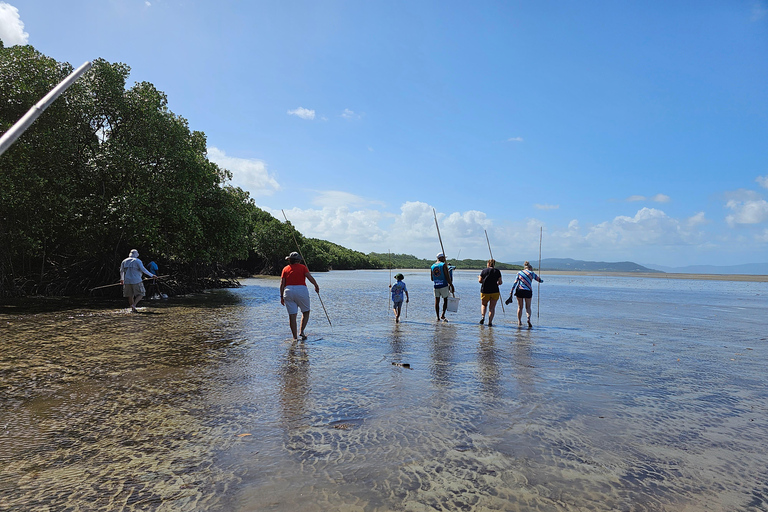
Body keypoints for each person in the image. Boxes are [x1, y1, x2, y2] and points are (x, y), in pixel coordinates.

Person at [280, 251, 320, 341]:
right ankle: (301, 331)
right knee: (306, 312)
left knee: (292, 315)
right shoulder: (303, 267)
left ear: (290, 260)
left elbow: (282, 284)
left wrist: (281, 296)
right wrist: (316, 286)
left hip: (288, 291)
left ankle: (294, 338)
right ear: (298, 260)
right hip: (301, 290)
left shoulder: (285, 269)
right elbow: (309, 277)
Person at [507, 261, 543, 327]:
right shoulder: (532, 273)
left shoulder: (519, 273)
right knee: (528, 307)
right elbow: (540, 280)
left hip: (520, 291)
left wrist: (511, 291)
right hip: (528, 291)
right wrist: (541, 280)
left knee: (520, 307)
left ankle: (519, 321)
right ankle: (528, 319)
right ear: (530, 268)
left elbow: (515, 283)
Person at [431, 253, 455, 321]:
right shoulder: (443, 265)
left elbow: (432, 279)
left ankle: (437, 317)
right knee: (445, 300)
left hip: (436, 286)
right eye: (444, 258)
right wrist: (451, 285)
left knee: (437, 301)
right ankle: (443, 315)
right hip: (444, 285)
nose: (445, 259)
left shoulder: (432, 266)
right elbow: (447, 277)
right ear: (441, 258)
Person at [478, 259, 502, 326]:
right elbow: (500, 282)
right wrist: (497, 283)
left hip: (485, 291)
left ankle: (483, 317)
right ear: (494, 264)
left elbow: (480, 281)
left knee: (484, 305)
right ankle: (490, 322)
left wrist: (480, 278)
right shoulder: (497, 271)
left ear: (488, 263)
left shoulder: (484, 271)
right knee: (492, 308)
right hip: (495, 291)